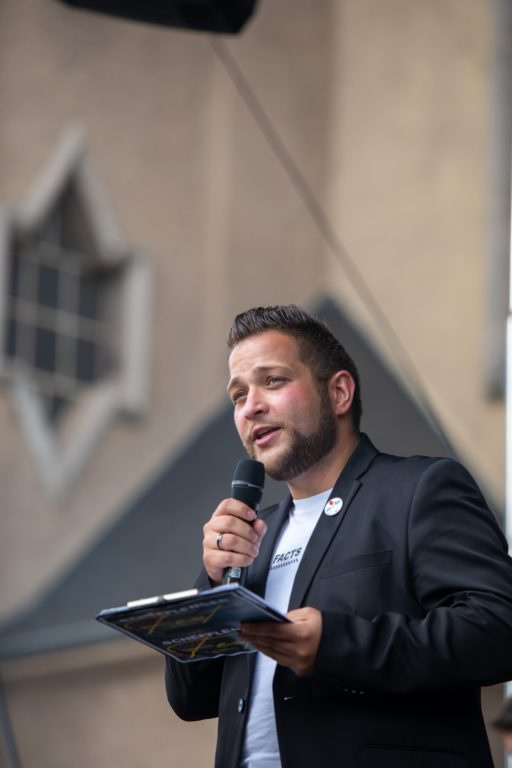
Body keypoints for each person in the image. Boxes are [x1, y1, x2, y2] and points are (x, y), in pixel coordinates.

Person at [165, 304, 512, 768]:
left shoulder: (418, 490)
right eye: (238, 394)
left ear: (339, 392)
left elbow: (498, 629)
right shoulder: (251, 541)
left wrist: (338, 645)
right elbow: (190, 698)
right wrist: (211, 584)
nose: (251, 406)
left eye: (273, 381)